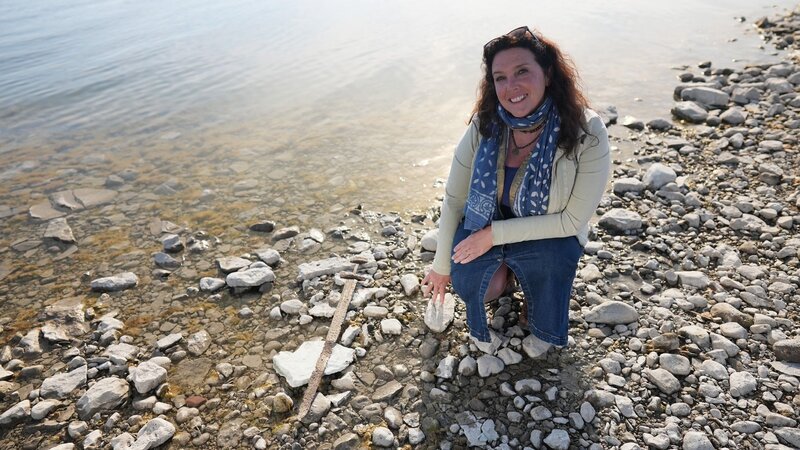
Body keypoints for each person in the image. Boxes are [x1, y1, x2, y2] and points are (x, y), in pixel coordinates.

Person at [421, 26, 610, 348]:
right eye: (500, 77)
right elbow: (455, 198)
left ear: (548, 74)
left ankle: (539, 312)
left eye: (522, 71)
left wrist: (493, 235)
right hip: (486, 219)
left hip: (551, 232)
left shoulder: (586, 131)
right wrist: (440, 267)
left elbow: (571, 221)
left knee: (552, 261)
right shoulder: (485, 124)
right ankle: (508, 279)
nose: (511, 87)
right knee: (469, 282)